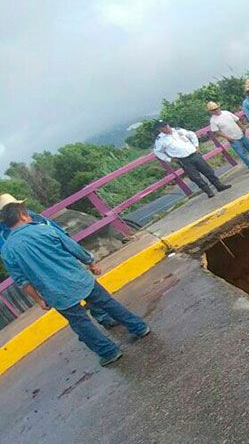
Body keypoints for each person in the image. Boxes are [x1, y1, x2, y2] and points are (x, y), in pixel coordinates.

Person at [1, 201, 150, 366]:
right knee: (108, 303)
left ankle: (109, 352)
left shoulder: (7, 251)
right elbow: (72, 247)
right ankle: (139, 327)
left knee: (80, 322)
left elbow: (22, 281)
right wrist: (90, 263)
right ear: (22, 215)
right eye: (27, 213)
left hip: (55, 293)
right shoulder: (43, 229)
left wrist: (39, 299)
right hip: (79, 278)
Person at [0, 194, 119, 328]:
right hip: (43, 270)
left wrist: (66, 243)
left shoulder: (30, 217)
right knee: (78, 296)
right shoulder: (4, 234)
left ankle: (102, 317)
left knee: (84, 289)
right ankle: (101, 322)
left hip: (57, 259)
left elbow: (53, 229)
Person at [152, 121, 232, 198]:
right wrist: (169, 159)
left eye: (166, 125)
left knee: (208, 171)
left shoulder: (178, 130)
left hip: (194, 154)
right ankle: (208, 191)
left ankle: (219, 185)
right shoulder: (160, 140)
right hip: (183, 160)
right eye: (163, 127)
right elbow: (157, 152)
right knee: (195, 177)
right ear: (159, 129)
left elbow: (192, 134)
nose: (166, 127)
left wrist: (196, 146)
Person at [207, 101, 249, 172]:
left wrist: (242, 127)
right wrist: (227, 137)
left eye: (216, 108)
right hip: (232, 138)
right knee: (242, 154)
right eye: (213, 110)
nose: (216, 110)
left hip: (239, 133)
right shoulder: (213, 120)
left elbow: (236, 120)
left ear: (218, 107)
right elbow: (216, 131)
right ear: (211, 111)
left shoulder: (226, 113)